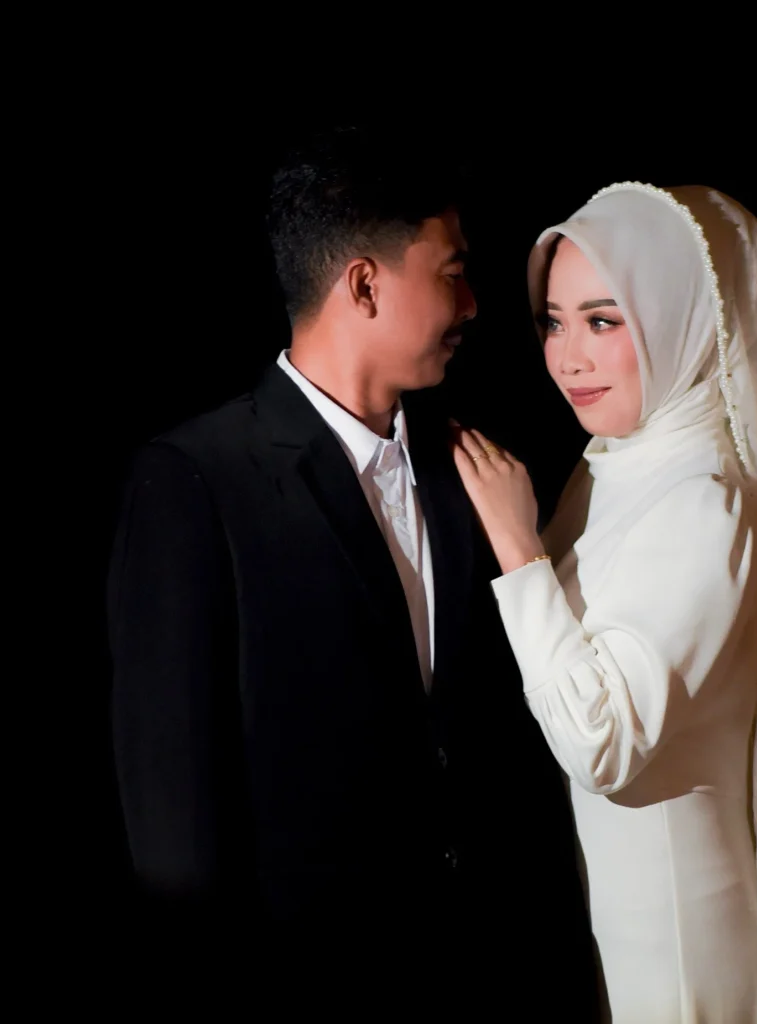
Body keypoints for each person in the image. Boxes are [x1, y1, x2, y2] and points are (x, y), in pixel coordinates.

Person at [108, 127, 596, 1015]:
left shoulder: (476, 468)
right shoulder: (195, 481)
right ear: (365, 284)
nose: (473, 303)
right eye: (452, 272)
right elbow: (174, 814)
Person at [452, 183, 757, 1022]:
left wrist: (517, 548)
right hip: (621, 926)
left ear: (680, 318)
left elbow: (603, 744)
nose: (568, 358)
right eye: (553, 321)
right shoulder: (614, 465)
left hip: (685, 943)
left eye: (603, 321)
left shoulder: (703, 503)